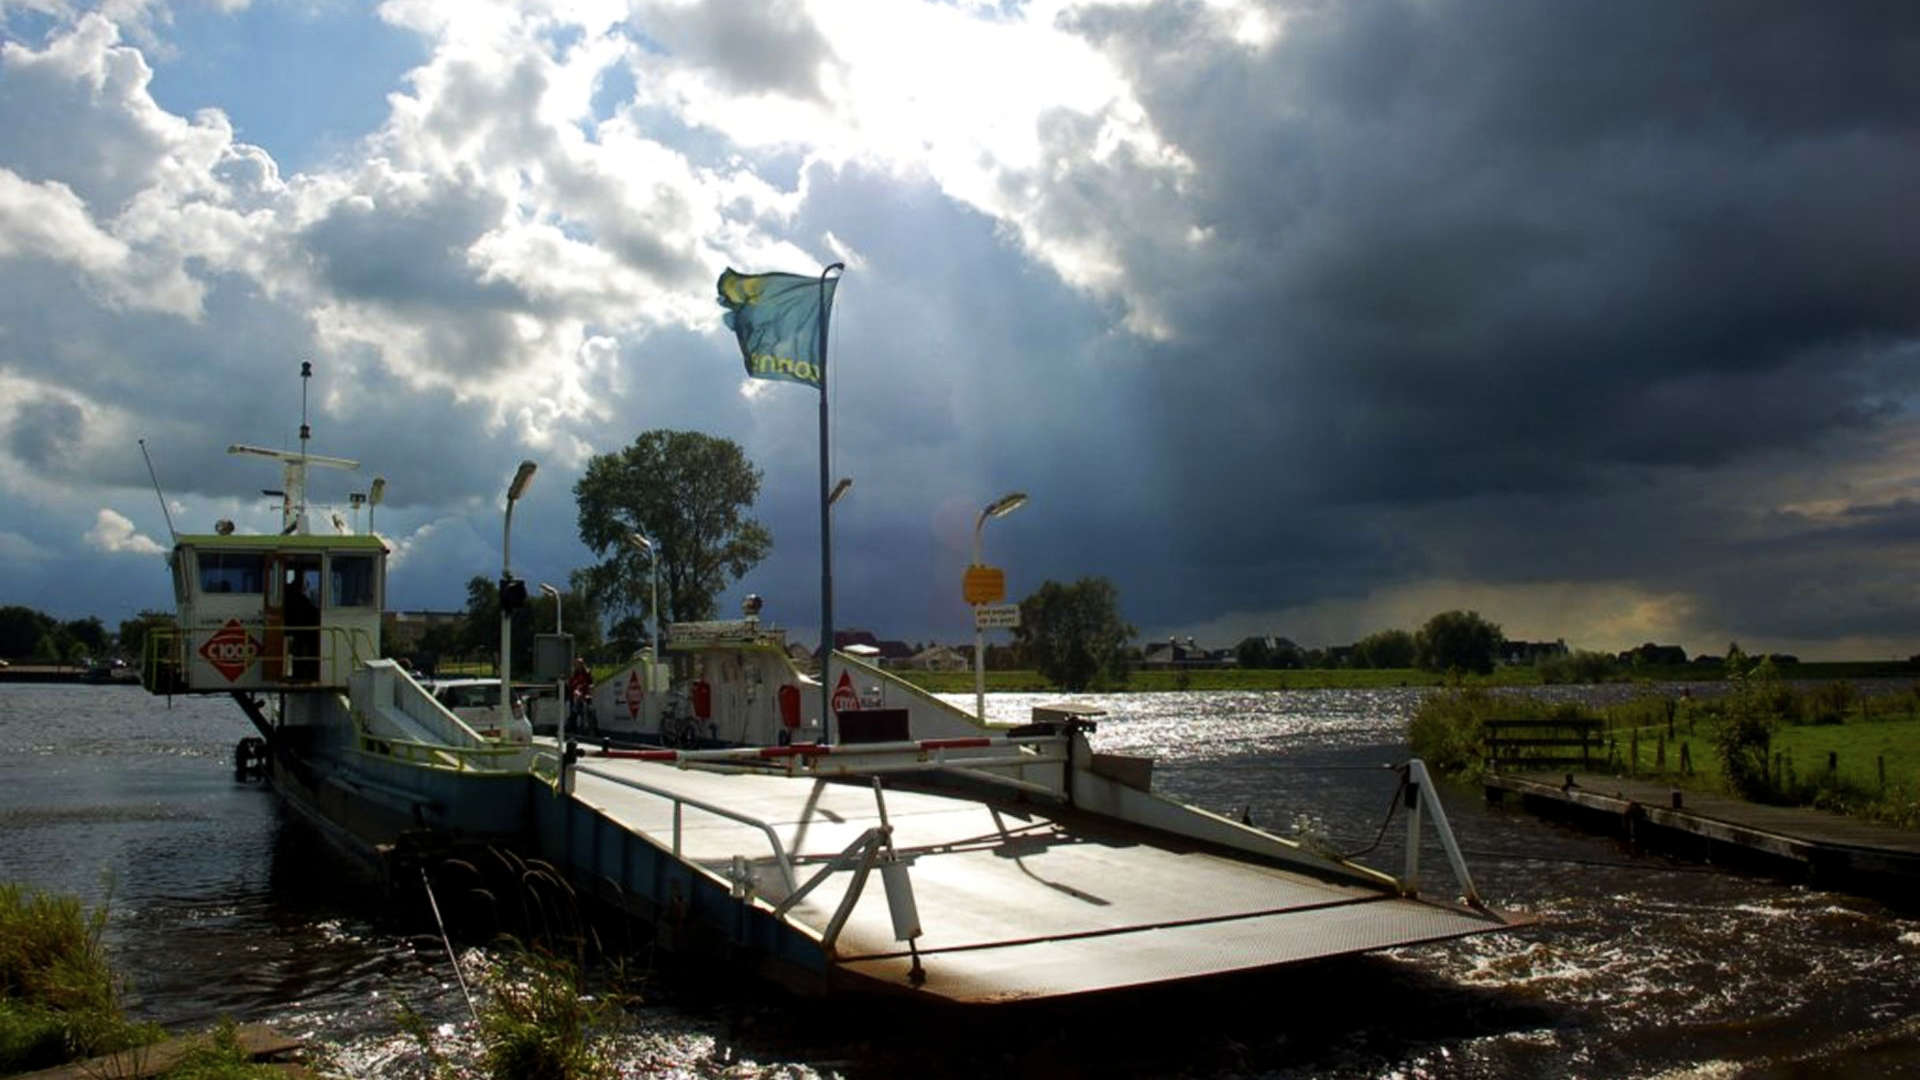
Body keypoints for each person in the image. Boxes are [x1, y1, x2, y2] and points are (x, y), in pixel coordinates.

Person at [567, 658, 593, 729]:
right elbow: (571, 684)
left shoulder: (587, 672)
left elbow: (590, 683)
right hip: (576, 694)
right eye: (577, 664)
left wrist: (588, 690)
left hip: (585, 694)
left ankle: (586, 725)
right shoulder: (574, 673)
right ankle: (573, 726)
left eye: (580, 664)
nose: (578, 666)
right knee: (574, 710)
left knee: (587, 710)